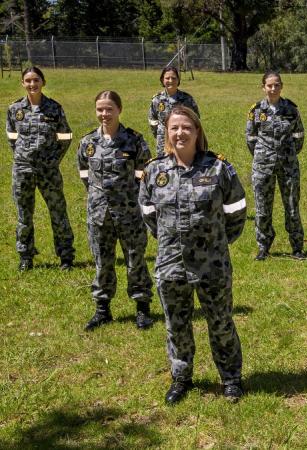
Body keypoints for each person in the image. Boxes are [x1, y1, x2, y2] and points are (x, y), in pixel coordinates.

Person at [139, 106, 247, 404]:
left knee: (221, 321)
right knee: (176, 324)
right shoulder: (154, 171)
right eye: (174, 128)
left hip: (212, 264)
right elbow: (148, 213)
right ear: (167, 133)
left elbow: (236, 211)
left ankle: (231, 378)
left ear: (197, 131)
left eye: (186, 127)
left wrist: (218, 242)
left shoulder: (218, 169)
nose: (180, 133)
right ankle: (181, 377)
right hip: (171, 263)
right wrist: (169, 241)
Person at [78, 90, 154, 331]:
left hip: (129, 213)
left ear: (119, 110)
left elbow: (146, 175)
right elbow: (84, 173)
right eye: (100, 109)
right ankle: (102, 310)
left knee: (135, 260)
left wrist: (134, 199)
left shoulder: (134, 141)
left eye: (109, 109)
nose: (104, 114)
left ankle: (142, 309)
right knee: (103, 262)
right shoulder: (88, 143)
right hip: (99, 214)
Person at [6, 66, 75, 271]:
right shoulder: (14, 110)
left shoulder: (54, 108)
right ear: (23, 83)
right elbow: (11, 138)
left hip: (48, 171)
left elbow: (65, 137)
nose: (32, 84)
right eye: (28, 81)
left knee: (58, 213)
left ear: (43, 82)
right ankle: (25, 256)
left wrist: (53, 160)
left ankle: (66, 256)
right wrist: (22, 158)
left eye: (36, 80)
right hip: (23, 171)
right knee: (24, 215)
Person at [246, 71, 306, 261]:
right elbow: (251, 139)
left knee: (292, 207)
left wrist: (287, 154)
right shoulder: (256, 111)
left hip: (288, 166)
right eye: (269, 85)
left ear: (281, 86)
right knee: (262, 208)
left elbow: (299, 136)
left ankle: (297, 247)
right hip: (263, 166)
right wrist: (264, 156)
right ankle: (263, 247)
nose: (273, 88)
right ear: (263, 87)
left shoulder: (291, 109)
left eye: (277, 85)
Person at [148, 65, 200, 155]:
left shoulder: (187, 99)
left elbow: (196, 119)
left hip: (182, 139)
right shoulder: (157, 99)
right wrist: (159, 134)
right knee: (163, 166)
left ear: (178, 80)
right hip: (163, 141)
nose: (170, 81)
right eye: (167, 78)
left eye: (174, 78)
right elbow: (152, 120)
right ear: (162, 80)